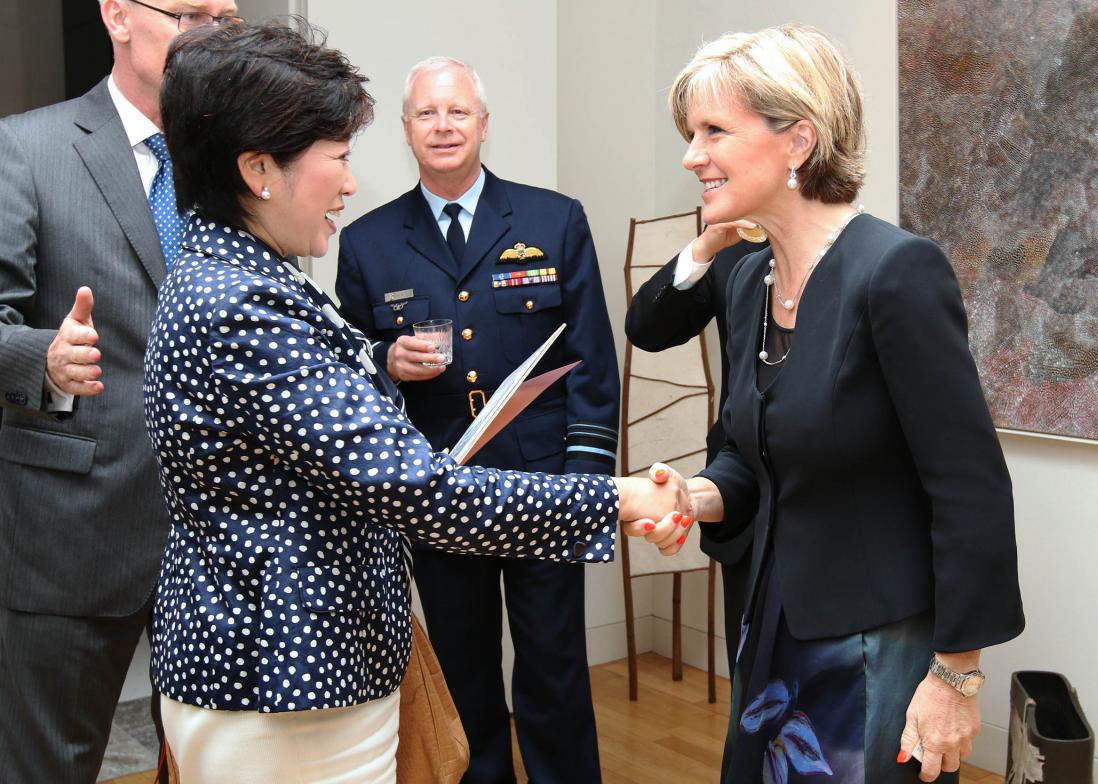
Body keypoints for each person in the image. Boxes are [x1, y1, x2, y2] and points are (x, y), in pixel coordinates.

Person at [146, 21, 677, 783]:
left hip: (304, 664)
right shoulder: (242, 301)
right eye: (337, 156)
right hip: (286, 674)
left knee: (555, 675)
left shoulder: (247, 276)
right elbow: (414, 486)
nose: (351, 181)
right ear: (260, 168)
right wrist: (613, 498)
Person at [636, 25, 1025, 783]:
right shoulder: (747, 280)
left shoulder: (895, 272)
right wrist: (701, 494)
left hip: (871, 644)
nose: (692, 155)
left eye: (714, 130)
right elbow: (752, 454)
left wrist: (955, 678)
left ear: (798, 141)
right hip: (768, 622)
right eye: (691, 134)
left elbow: (969, 487)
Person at [335, 56, 619, 783]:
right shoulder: (367, 242)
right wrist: (384, 358)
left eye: (458, 111)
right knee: (464, 670)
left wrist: (582, 488)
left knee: (554, 667)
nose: (443, 126)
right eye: (427, 114)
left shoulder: (553, 220)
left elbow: (591, 361)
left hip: (541, 483)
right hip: (438, 488)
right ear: (405, 131)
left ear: (484, 125)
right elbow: (348, 370)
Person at [0, 1, 240, 780]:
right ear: (116, 16)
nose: (209, 30)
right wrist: (42, 356)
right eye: (189, 12)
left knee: (218, 763)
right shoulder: (27, 149)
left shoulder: (242, 161)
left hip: (218, 535)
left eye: (224, 16)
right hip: (78, 532)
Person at [624, 233, 759, 675]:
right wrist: (705, 246)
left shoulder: (874, 261)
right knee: (753, 701)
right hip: (742, 503)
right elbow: (645, 329)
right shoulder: (732, 252)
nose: (693, 160)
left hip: (838, 531)